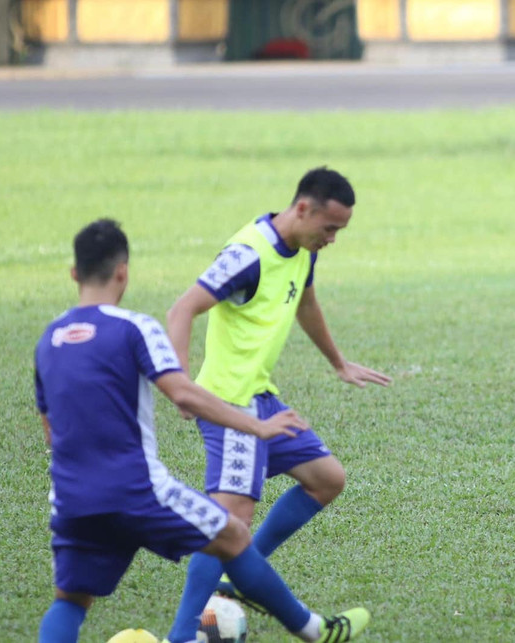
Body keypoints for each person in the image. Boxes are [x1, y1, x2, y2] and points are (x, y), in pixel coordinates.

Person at [35, 219, 370, 643]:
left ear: (73, 273)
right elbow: (183, 395)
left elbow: (50, 431)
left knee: (70, 601)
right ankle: (313, 631)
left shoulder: (49, 339)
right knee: (231, 532)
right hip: (136, 488)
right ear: (123, 272)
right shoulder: (134, 328)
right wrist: (257, 426)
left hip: (71, 496)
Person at [164, 167, 391, 643]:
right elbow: (182, 308)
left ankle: (240, 578)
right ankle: (183, 636)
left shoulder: (302, 250)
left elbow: (305, 301)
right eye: (330, 228)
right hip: (229, 406)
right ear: (303, 209)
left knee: (327, 479)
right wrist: (180, 383)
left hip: (261, 398)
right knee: (227, 525)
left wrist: (337, 361)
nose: (333, 239)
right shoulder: (248, 255)